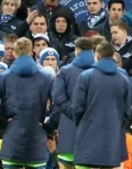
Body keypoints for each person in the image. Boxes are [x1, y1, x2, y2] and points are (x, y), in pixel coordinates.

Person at [0, 37, 54, 169]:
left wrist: (0, 122)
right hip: (37, 142)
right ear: (31, 52)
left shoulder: (3, 77)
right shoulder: (46, 77)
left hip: (12, 140)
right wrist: (49, 126)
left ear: (14, 53)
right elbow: (59, 104)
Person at [72, 41, 131, 168]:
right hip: (113, 139)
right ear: (113, 55)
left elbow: (77, 108)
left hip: (88, 138)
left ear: (97, 56)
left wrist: (82, 126)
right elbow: (127, 111)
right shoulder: (124, 78)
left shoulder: (85, 76)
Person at [51, 37, 95, 169]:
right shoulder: (100, 72)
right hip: (94, 136)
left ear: (76, 51)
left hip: (68, 132)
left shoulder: (65, 71)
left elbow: (57, 97)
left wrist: (72, 112)